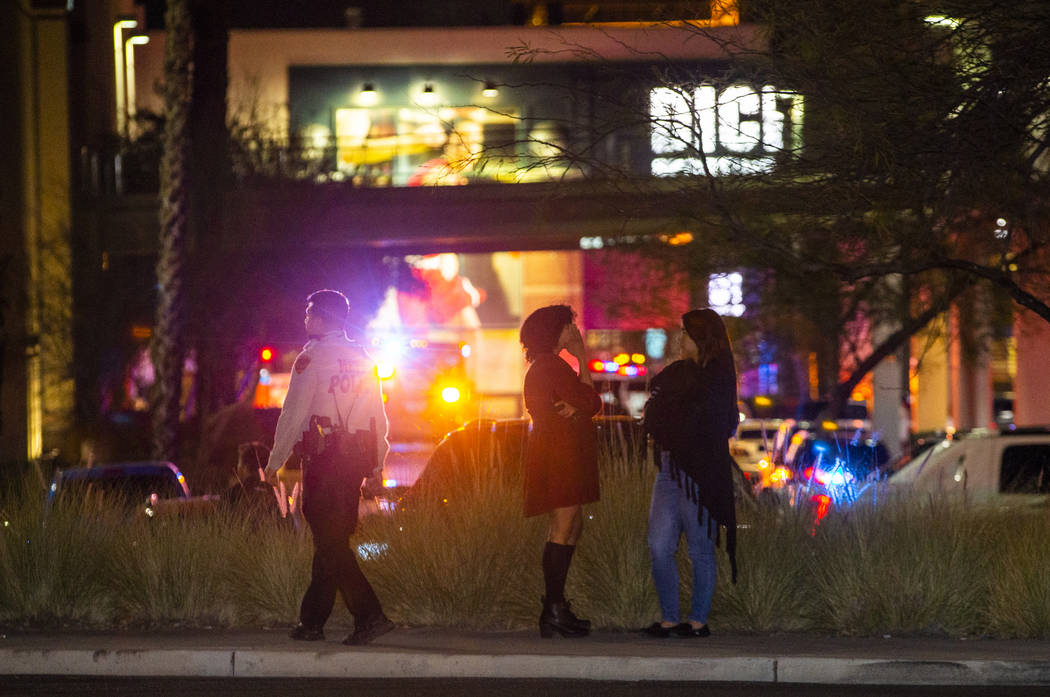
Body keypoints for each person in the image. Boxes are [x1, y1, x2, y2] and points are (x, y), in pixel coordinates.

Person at [263, 289, 393, 646]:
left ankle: (370, 615)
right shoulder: (362, 357)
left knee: (330, 540)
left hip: (325, 460)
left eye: (308, 313)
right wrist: (377, 465)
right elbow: (377, 417)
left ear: (321, 318)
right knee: (331, 539)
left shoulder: (312, 358)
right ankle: (313, 622)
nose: (305, 319)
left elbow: (294, 413)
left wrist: (275, 460)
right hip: (354, 462)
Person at [642, 308, 739, 638]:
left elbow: (723, 421)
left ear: (700, 337)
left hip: (702, 471)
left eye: (685, 333)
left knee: (700, 548)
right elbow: (653, 410)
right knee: (659, 544)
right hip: (670, 468)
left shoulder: (719, 375)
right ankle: (669, 618)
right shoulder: (676, 373)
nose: (680, 338)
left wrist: (679, 419)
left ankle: (697, 621)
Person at [519, 304, 602, 638]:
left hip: (561, 456)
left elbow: (584, 403)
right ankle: (553, 609)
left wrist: (579, 406)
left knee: (571, 526)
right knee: (562, 528)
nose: (574, 331)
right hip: (560, 459)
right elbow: (592, 401)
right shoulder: (551, 366)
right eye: (570, 325)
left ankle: (556, 607)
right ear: (556, 330)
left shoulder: (547, 367)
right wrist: (581, 356)